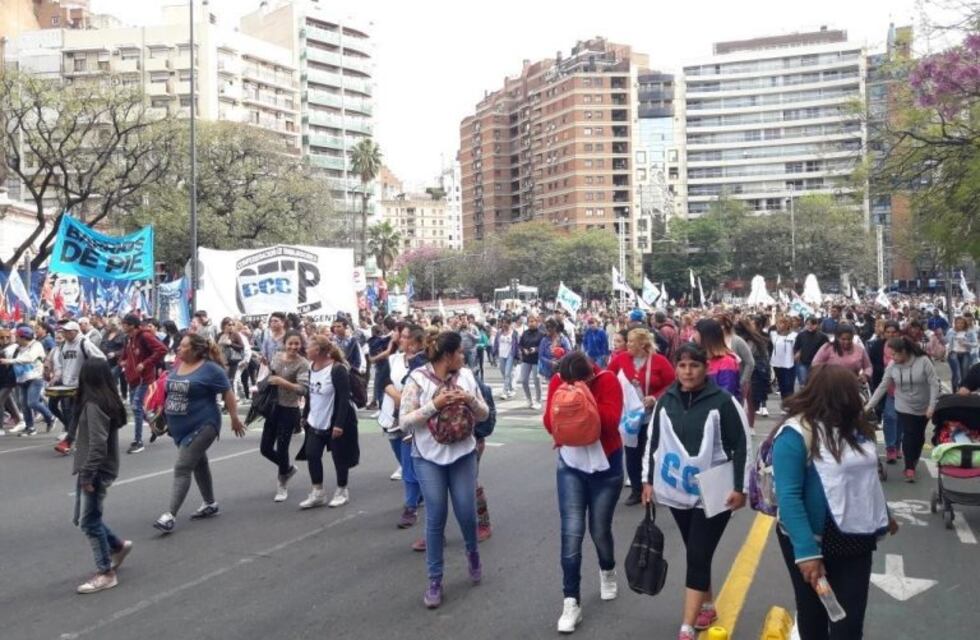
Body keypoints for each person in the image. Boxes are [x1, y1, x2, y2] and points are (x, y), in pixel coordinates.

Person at [773, 365, 896, 640]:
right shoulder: (795, 434)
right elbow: (789, 496)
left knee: (849, 624)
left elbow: (865, 478)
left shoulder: (856, 427)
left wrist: (884, 513)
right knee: (814, 615)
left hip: (857, 538)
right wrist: (806, 552)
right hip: (813, 538)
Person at [641, 343, 750, 640]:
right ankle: (707, 605)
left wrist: (740, 488)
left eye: (695, 365)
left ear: (706, 368)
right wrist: (647, 480)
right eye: (683, 365)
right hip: (677, 489)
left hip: (714, 491)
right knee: (696, 551)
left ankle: (687, 625)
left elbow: (742, 445)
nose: (688, 371)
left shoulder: (723, 402)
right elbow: (654, 442)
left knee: (698, 554)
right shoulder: (667, 400)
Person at [399, 331, 490, 609]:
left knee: (466, 511)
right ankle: (434, 580)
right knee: (435, 516)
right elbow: (404, 421)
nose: (464, 356)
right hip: (427, 457)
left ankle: (472, 553)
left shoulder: (466, 377)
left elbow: (484, 413)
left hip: (463, 454)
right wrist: (434, 405)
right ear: (448, 356)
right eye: (460, 352)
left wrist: (469, 400)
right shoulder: (417, 380)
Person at [542, 351, 624, 633]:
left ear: (590, 374)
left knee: (599, 529)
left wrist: (582, 401)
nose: (570, 386)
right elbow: (549, 423)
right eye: (567, 382)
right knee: (571, 532)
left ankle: (608, 569)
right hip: (571, 465)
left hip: (606, 466)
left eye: (577, 381)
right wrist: (565, 404)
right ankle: (571, 601)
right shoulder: (558, 382)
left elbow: (612, 422)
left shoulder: (608, 380)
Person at [154, 334, 246, 533]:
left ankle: (169, 515)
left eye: (184, 346)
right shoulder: (178, 365)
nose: (178, 348)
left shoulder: (211, 369)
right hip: (179, 427)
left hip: (203, 424)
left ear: (195, 349)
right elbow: (172, 391)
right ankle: (210, 503)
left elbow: (227, 392)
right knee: (199, 464)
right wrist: (162, 414)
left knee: (183, 467)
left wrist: (235, 418)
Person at [71, 358, 132, 594]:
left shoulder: (94, 404)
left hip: (95, 469)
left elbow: (98, 443)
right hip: (96, 467)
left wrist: (87, 474)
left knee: (88, 521)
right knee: (86, 518)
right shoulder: (107, 400)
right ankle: (116, 546)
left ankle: (106, 572)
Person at [608, 328, 675, 506]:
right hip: (629, 416)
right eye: (627, 341)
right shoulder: (621, 359)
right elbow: (607, 378)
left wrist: (656, 397)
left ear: (643, 345)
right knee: (632, 452)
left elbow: (672, 384)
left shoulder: (659, 361)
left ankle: (654, 486)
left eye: (631, 341)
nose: (627, 344)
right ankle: (637, 490)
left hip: (653, 415)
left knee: (651, 452)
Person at [865, 336, 939, 482]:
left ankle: (914, 458)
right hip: (903, 404)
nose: (892, 358)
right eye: (890, 355)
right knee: (909, 433)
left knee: (918, 436)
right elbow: (883, 386)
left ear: (904, 351)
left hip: (923, 405)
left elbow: (934, 384)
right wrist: (869, 406)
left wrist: (932, 406)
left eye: (895, 354)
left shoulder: (923, 361)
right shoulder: (892, 365)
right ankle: (909, 467)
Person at [299, 335, 359, 509]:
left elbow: (343, 399)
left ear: (318, 351)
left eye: (308, 346)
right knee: (311, 454)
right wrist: (305, 414)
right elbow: (310, 394)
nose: (306, 349)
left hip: (334, 421)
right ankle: (317, 492)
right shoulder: (311, 367)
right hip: (315, 421)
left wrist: (339, 424)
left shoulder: (337, 369)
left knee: (339, 458)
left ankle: (342, 490)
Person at [379, 325, 426, 527]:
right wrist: (397, 397)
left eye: (407, 337)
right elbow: (384, 380)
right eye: (403, 337)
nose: (403, 340)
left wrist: (405, 401)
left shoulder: (423, 363)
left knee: (408, 464)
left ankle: (410, 508)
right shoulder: (393, 359)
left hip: (411, 419)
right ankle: (420, 492)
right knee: (402, 457)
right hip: (392, 415)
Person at [262, 331, 310, 502]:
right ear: (284, 343)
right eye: (290, 343)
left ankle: (282, 484)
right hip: (272, 406)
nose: (293, 347)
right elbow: (268, 375)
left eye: (297, 344)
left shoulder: (303, 363)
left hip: (289, 409)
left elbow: (303, 389)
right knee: (265, 448)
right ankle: (287, 468)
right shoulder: (276, 356)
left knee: (283, 447)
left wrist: (284, 383)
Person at [52, 321, 106, 454]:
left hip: (84, 385)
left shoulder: (84, 343)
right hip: (67, 385)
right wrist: (58, 375)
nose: (65, 334)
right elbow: (60, 362)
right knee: (75, 413)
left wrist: (89, 374)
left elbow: (101, 358)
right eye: (64, 331)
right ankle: (81, 440)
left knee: (77, 413)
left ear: (75, 332)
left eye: (68, 331)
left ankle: (69, 441)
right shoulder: (64, 345)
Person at [119, 314, 167, 455]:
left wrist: (145, 364)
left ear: (132, 325)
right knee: (138, 408)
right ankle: (158, 423)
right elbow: (126, 354)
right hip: (133, 378)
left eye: (125, 324)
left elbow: (162, 349)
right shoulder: (130, 338)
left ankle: (138, 441)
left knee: (135, 406)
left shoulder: (145, 336)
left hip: (144, 378)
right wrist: (122, 361)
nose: (123, 326)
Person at [2, 325, 55, 435]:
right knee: (25, 405)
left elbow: (29, 358)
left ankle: (50, 417)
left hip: (35, 378)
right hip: (22, 379)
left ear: (23, 337)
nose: (15, 338)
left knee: (32, 402)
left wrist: (9, 361)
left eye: (17, 336)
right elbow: (4, 351)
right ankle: (30, 427)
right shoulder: (16, 347)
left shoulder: (36, 345)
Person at [693, 319, 741, 400]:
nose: (693, 336)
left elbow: (727, 392)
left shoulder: (727, 361)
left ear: (705, 335)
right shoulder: (701, 358)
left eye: (695, 332)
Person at [735, 318, 772, 424]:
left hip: (753, 372)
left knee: (749, 399)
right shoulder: (755, 338)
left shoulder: (748, 340)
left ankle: (748, 424)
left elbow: (748, 358)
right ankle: (749, 424)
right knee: (749, 400)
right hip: (752, 371)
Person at [770, 317, 798, 410]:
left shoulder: (794, 335)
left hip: (789, 363)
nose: (779, 325)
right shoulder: (773, 334)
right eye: (778, 323)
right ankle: (784, 403)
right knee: (781, 384)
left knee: (789, 384)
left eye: (781, 323)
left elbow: (798, 348)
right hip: (777, 363)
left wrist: (796, 357)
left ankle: (790, 404)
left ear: (787, 325)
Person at [0, 328, 25, 433]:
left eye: (7, 337)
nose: (5, 339)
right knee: (8, 402)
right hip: (2, 379)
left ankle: (0, 428)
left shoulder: (15, 348)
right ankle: (20, 421)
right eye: (2, 337)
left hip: (10, 379)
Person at [794, 317, 829, 387]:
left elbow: (827, 350)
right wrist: (797, 353)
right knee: (803, 383)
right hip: (803, 362)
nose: (810, 326)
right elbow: (796, 347)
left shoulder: (823, 336)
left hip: (817, 364)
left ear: (817, 325)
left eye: (812, 324)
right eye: (808, 324)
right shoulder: (801, 335)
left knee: (816, 383)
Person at [519, 315, 544, 409]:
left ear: (537, 322)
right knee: (524, 380)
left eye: (533, 321)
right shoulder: (525, 333)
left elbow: (543, 346)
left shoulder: (541, 334)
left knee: (537, 381)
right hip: (526, 359)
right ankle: (529, 399)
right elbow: (520, 344)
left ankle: (538, 400)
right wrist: (523, 350)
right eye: (529, 321)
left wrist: (536, 349)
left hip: (536, 360)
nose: (531, 323)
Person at [947, 316, 978, 391]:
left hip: (965, 354)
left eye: (962, 323)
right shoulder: (951, 331)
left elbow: (975, 344)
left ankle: (962, 391)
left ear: (965, 324)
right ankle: (954, 392)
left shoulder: (970, 332)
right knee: (957, 374)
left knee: (965, 374)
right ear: (955, 323)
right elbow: (947, 341)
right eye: (958, 323)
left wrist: (966, 343)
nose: (960, 325)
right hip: (953, 354)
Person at [100, 319, 128, 401]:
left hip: (119, 361)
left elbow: (125, 349)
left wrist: (115, 354)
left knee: (118, 377)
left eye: (109, 325)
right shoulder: (106, 334)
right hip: (107, 360)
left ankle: (123, 396)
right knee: (108, 377)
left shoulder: (122, 335)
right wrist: (104, 351)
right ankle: (111, 395)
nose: (107, 326)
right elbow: (102, 344)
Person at [493, 317, 520, 399]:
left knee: (507, 373)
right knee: (504, 373)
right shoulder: (499, 333)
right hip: (501, 355)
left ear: (510, 324)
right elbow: (495, 344)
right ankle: (511, 388)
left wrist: (517, 357)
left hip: (510, 355)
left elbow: (517, 345)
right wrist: (494, 354)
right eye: (503, 323)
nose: (504, 325)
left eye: (506, 323)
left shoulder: (514, 333)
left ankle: (504, 391)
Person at [217, 318, 246, 392]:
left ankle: (231, 399)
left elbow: (242, 347)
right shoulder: (219, 335)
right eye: (229, 324)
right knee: (223, 379)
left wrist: (231, 344)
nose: (231, 326)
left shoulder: (235, 334)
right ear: (224, 325)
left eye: (233, 324)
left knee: (230, 380)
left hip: (232, 360)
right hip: (222, 360)